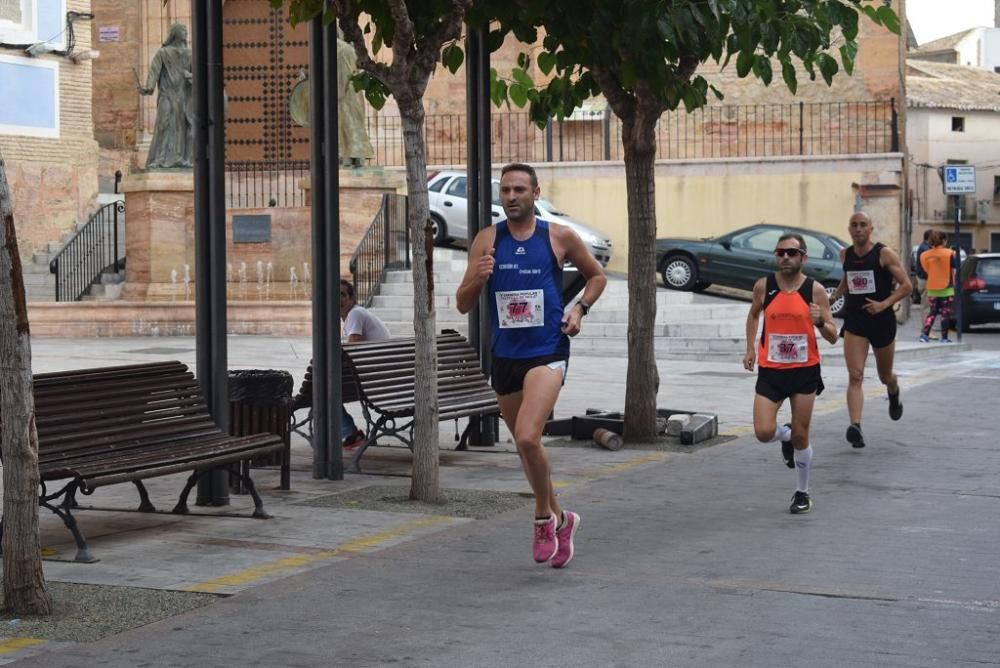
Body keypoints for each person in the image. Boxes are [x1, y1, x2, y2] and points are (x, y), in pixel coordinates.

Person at [456, 162, 606, 568]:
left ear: (536, 193)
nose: (511, 197)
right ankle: (563, 517)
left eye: (520, 189)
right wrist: (478, 278)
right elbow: (463, 302)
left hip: (547, 350)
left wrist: (579, 311)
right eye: (505, 190)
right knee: (529, 449)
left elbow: (597, 277)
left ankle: (542, 519)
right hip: (506, 355)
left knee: (525, 437)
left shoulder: (557, 236)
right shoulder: (487, 241)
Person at [744, 234, 839, 514]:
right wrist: (750, 348)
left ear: (803, 258)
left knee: (802, 435)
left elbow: (833, 335)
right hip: (771, 370)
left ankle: (802, 492)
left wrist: (821, 321)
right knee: (763, 432)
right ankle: (782, 437)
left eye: (792, 253)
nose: (785, 257)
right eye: (780, 252)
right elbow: (753, 315)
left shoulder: (815, 290)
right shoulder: (764, 286)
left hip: (804, 371)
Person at [830, 212, 912, 449]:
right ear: (849, 229)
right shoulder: (844, 254)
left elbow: (907, 286)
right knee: (855, 375)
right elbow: (849, 278)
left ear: (870, 229)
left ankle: (893, 391)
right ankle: (855, 426)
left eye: (862, 225)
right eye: (854, 225)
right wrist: (835, 295)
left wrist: (883, 304)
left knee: (884, 375)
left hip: (882, 320)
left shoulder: (884, 254)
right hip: (856, 321)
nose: (858, 229)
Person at [340, 279, 390, 447]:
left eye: (342, 295)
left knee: (323, 392)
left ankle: (350, 433)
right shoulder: (356, 313)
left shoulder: (355, 314)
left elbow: (352, 349)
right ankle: (348, 432)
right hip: (381, 376)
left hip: (372, 381)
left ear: (352, 298)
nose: (338, 299)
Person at [140, 24, 193, 169]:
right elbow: (154, 72)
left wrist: (191, 76)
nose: (185, 33)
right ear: (175, 33)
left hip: (183, 97)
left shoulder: (190, 54)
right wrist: (148, 88)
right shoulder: (162, 53)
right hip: (167, 95)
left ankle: (181, 158)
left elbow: (198, 75)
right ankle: (159, 158)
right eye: (183, 30)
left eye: (186, 31)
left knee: (182, 127)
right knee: (163, 124)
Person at [918, 231, 957, 344]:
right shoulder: (949, 253)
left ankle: (924, 335)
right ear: (944, 241)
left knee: (932, 312)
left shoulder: (925, 255)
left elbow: (926, 269)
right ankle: (944, 338)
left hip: (932, 287)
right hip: (947, 287)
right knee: (945, 313)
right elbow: (955, 266)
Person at [915, 229, 931, 324]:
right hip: (925, 279)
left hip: (922, 278)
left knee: (926, 304)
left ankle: (927, 328)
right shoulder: (925, 249)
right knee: (926, 305)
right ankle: (926, 329)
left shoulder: (924, 247)